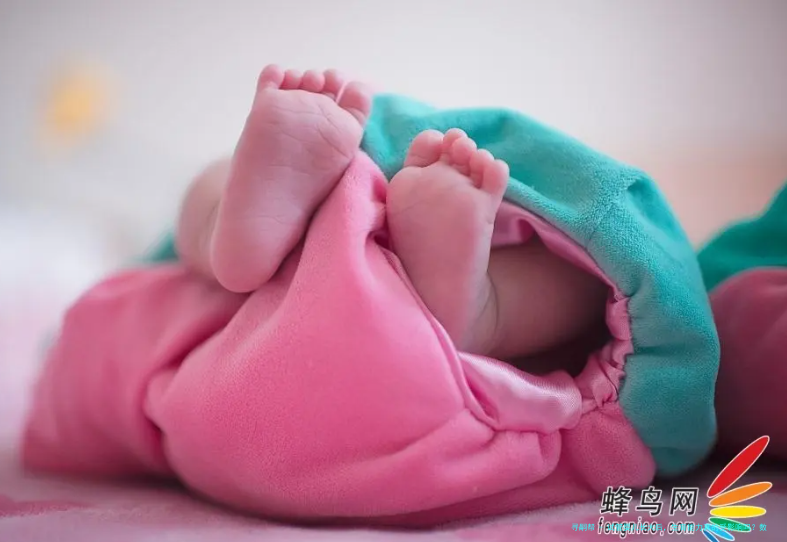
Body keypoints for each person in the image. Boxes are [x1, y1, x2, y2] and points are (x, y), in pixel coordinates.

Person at [175, 65, 607, 362]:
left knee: (212, 180)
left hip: (316, 222)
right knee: (586, 272)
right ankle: (484, 310)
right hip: (371, 217)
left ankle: (219, 233)